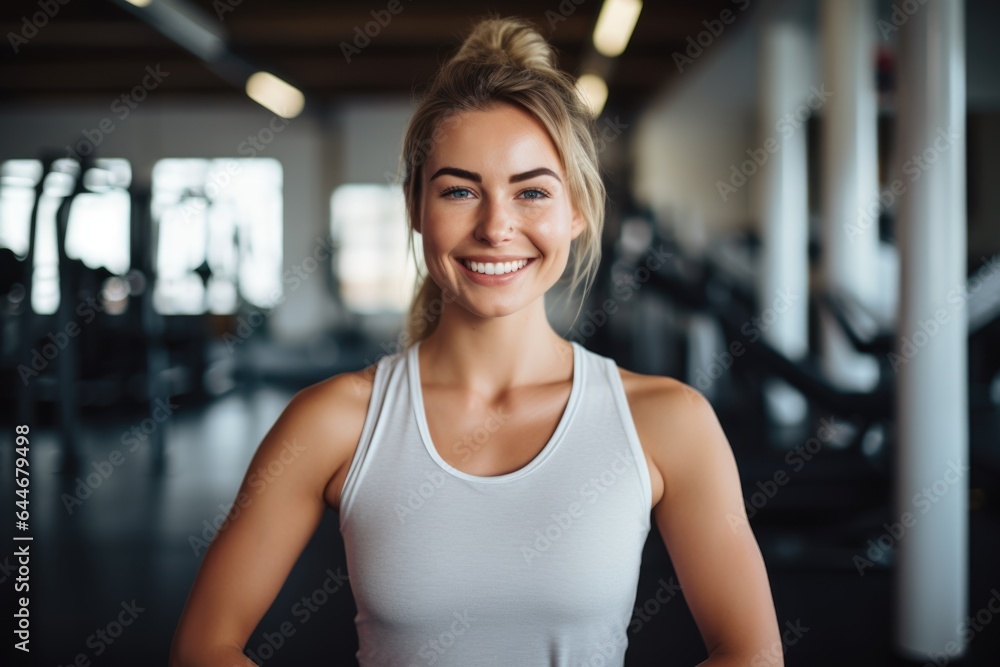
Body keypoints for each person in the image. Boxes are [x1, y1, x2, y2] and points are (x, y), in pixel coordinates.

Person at [169, 14, 782, 667]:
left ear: (575, 210)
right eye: (460, 190)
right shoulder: (331, 423)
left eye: (532, 192)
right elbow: (205, 644)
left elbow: (751, 651)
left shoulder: (668, 421)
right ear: (415, 206)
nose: (497, 226)